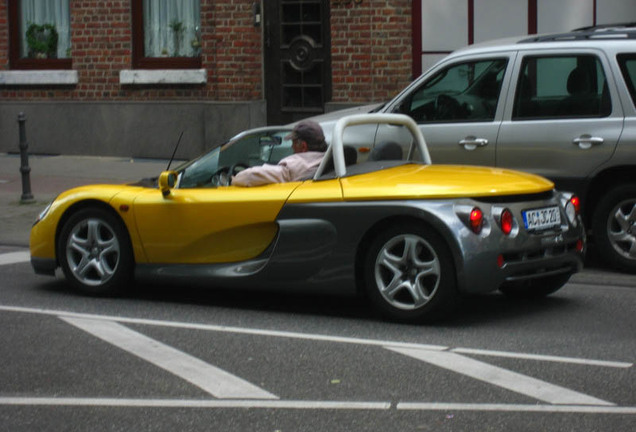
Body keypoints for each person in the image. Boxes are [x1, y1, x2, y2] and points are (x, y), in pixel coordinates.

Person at [232, 120, 327, 187]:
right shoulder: (327, 161)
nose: (292, 147)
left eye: (293, 143)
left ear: (303, 146)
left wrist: (234, 179)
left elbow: (249, 176)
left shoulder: (293, 167)